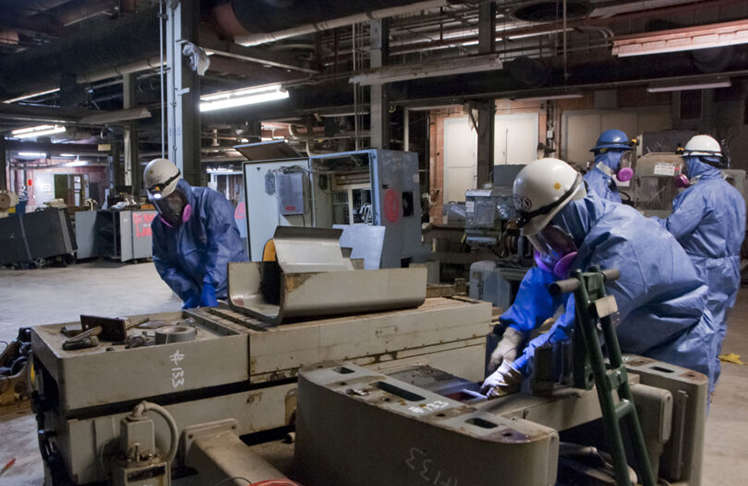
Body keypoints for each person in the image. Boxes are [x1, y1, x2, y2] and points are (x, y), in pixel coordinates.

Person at [482, 158, 712, 397]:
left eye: (547, 232)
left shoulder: (623, 244)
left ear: (569, 214)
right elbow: (542, 282)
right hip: (626, 341)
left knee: (656, 412)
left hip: (673, 348)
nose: (546, 244)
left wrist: (521, 366)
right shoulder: (575, 234)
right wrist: (513, 333)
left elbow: (583, 326)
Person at [658, 135, 746, 390]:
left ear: (697, 161)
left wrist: (643, 223)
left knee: (697, 330)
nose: (685, 166)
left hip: (703, 270)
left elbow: (674, 229)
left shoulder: (699, 194)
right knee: (716, 326)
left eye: (688, 160)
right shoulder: (734, 193)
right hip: (729, 269)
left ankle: (695, 388)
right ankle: (709, 382)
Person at [144, 158, 248, 309]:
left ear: (181, 189)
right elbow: (164, 263)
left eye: (172, 198)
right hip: (200, 294)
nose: (169, 206)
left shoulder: (211, 203)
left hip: (235, 290)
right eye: (162, 202)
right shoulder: (159, 226)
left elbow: (224, 247)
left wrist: (210, 285)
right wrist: (189, 292)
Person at [584, 129, 634, 203]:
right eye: (624, 155)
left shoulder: (607, 180)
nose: (626, 161)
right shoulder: (594, 184)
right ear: (608, 154)